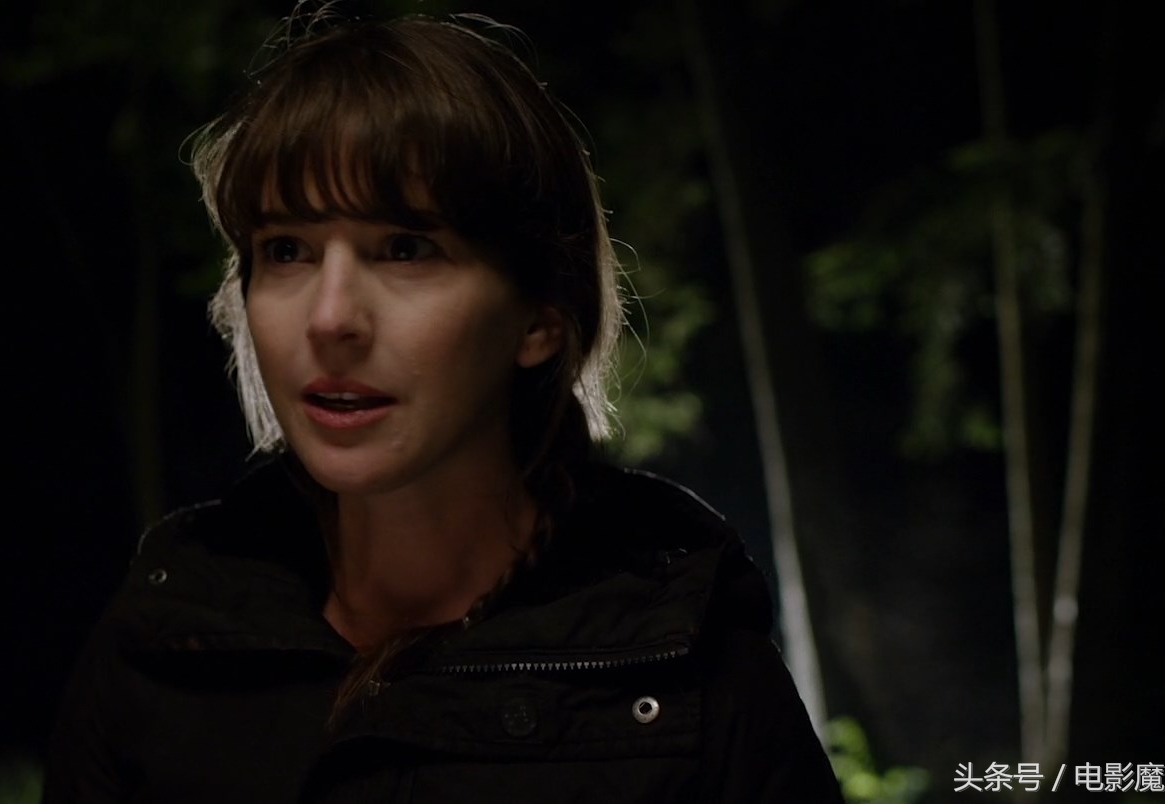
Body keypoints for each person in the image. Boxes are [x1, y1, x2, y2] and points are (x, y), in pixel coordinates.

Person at [44, 8, 842, 803]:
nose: (330, 318)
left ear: (540, 318)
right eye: (286, 250)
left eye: (406, 249)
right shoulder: (161, 648)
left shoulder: (691, 675)